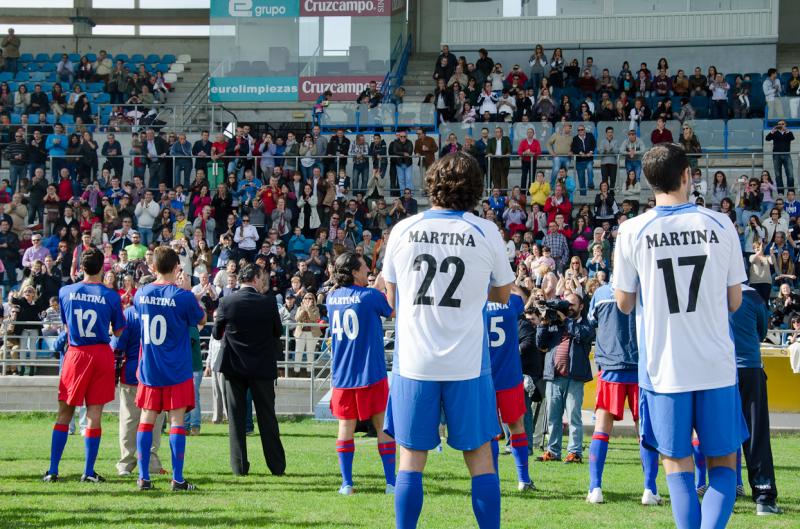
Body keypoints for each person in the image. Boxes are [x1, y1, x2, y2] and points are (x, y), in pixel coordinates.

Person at [613, 143, 747, 529]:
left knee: (676, 464)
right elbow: (735, 301)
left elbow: (622, 302)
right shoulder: (720, 224)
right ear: (688, 175)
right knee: (723, 463)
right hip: (715, 365)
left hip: (664, 367)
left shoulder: (632, 230)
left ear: (644, 182)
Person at [382, 152, 514, 529]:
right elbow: (504, 294)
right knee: (480, 458)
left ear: (432, 184)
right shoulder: (485, 230)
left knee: (411, 457)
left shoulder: (403, 230)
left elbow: (392, 297)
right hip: (467, 361)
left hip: (415, 360)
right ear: (475, 189)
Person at [44, 248, 126, 483]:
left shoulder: (66, 291)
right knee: (94, 414)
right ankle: (88, 472)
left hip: (75, 353)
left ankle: (52, 470)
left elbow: (67, 324)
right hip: (100, 354)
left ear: (80, 267)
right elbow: (119, 331)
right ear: (102, 268)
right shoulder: (111, 296)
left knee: (64, 412)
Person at [134, 247, 206, 491]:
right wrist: (187, 291)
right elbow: (201, 319)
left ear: (153, 267)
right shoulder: (183, 296)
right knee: (176, 419)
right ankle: (177, 478)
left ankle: (143, 477)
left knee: (147, 418)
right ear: (177, 268)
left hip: (150, 368)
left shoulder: (140, 293)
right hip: (177, 367)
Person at [585, 283, 661, 506]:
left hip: (611, 368)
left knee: (602, 428)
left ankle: (595, 487)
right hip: (640, 369)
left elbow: (592, 322)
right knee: (644, 430)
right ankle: (650, 488)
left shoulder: (600, 293)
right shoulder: (645, 289)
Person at [326, 252, 396, 495]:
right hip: (370, 372)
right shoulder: (369, 296)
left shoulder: (331, 296)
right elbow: (390, 310)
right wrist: (386, 284)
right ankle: (391, 483)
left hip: (343, 374)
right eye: (365, 266)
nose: (369, 269)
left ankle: (346, 484)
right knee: (382, 427)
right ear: (355, 272)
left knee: (345, 428)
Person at [212, 264, 286, 477]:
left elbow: (216, 334)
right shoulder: (268, 302)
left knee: (235, 418)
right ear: (254, 278)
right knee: (267, 417)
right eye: (261, 278)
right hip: (262, 366)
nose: (263, 281)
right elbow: (277, 331)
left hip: (234, 366)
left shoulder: (226, 302)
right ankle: (277, 466)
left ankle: (239, 467)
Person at [727, 285, 781, 515]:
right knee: (756, 433)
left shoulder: (710, 291)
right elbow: (761, 331)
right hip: (749, 367)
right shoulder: (751, 295)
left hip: (720, 372)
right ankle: (764, 495)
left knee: (723, 434)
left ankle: (724, 493)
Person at [111, 279, 165, 477]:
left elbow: (117, 347)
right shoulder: (162, 312)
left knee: (129, 419)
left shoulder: (129, 315)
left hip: (132, 372)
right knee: (155, 420)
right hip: (156, 373)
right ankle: (150, 460)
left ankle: (126, 463)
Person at [485, 289, 535, 492]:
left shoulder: (476, 302)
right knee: (517, 426)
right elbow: (520, 298)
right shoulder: (513, 301)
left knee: (489, 431)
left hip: (485, 374)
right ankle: (523, 479)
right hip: (510, 374)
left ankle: (493, 480)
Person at [535, 293, 594, 463]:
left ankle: (575, 452)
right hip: (554, 377)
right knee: (553, 417)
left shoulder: (585, 323)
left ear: (581, 306)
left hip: (574, 378)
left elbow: (584, 336)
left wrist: (566, 320)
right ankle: (553, 451)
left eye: (572, 304)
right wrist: (544, 323)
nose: (568, 307)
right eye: (566, 304)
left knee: (574, 416)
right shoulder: (554, 323)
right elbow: (541, 344)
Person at [765, 120, 794, 194]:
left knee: (790, 174)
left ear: (785, 124)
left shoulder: (788, 132)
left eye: (782, 124)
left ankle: (791, 191)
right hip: (776, 155)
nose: (780, 125)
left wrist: (786, 130)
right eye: (779, 124)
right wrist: (772, 131)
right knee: (778, 175)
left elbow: (792, 138)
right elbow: (767, 139)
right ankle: (780, 192)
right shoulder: (775, 132)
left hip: (786, 155)